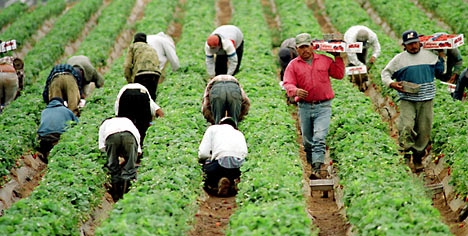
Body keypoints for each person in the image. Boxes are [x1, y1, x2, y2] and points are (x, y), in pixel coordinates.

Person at [381, 30, 445, 172]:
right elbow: (385, 73)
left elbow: (440, 72)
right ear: (404, 45)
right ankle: (405, 153)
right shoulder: (399, 59)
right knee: (406, 126)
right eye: (410, 44)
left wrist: (441, 55)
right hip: (408, 99)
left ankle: (417, 157)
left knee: (424, 130)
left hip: (426, 99)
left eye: (415, 43)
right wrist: (391, 83)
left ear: (420, 42)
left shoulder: (430, 56)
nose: (413, 46)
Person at [283, 33, 344, 179]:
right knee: (307, 141)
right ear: (297, 49)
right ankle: (312, 164)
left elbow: (339, 75)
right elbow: (287, 83)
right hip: (304, 106)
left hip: (323, 106)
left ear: (312, 46)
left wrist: (338, 57)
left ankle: (317, 167)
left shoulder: (325, 60)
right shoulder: (293, 65)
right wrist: (295, 90)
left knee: (319, 137)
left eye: (307, 46)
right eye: (301, 47)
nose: (305, 50)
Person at [114, 83, 164, 163]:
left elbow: (118, 115)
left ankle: (127, 154)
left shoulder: (122, 92)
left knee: (126, 125)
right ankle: (138, 152)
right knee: (142, 126)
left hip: (126, 95)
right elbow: (160, 112)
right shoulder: (148, 97)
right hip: (142, 94)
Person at [198, 117, 247, 196]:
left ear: (220, 124)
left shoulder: (212, 129)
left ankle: (215, 184)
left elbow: (203, 153)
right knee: (230, 167)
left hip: (220, 166)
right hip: (238, 167)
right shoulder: (239, 133)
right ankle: (231, 183)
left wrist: (202, 161)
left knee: (207, 167)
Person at [99, 116, 141, 201]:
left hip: (111, 136)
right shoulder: (127, 120)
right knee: (130, 167)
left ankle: (116, 195)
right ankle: (126, 194)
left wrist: (113, 157)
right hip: (129, 134)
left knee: (113, 167)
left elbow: (102, 147)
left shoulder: (104, 124)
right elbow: (137, 138)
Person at [37, 97, 79, 163]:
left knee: (44, 147)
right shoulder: (66, 110)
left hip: (44, 137)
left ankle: (45, 154)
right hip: (58, 137)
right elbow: (77, 123)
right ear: (62, 103)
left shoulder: (44, 111)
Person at [124, 32, 161, 101]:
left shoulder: (133, 46)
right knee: (151, 97)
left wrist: (129, 82)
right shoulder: (151, 47)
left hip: (141, 73)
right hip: (155, 73)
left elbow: (127, 65)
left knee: (139, 98)